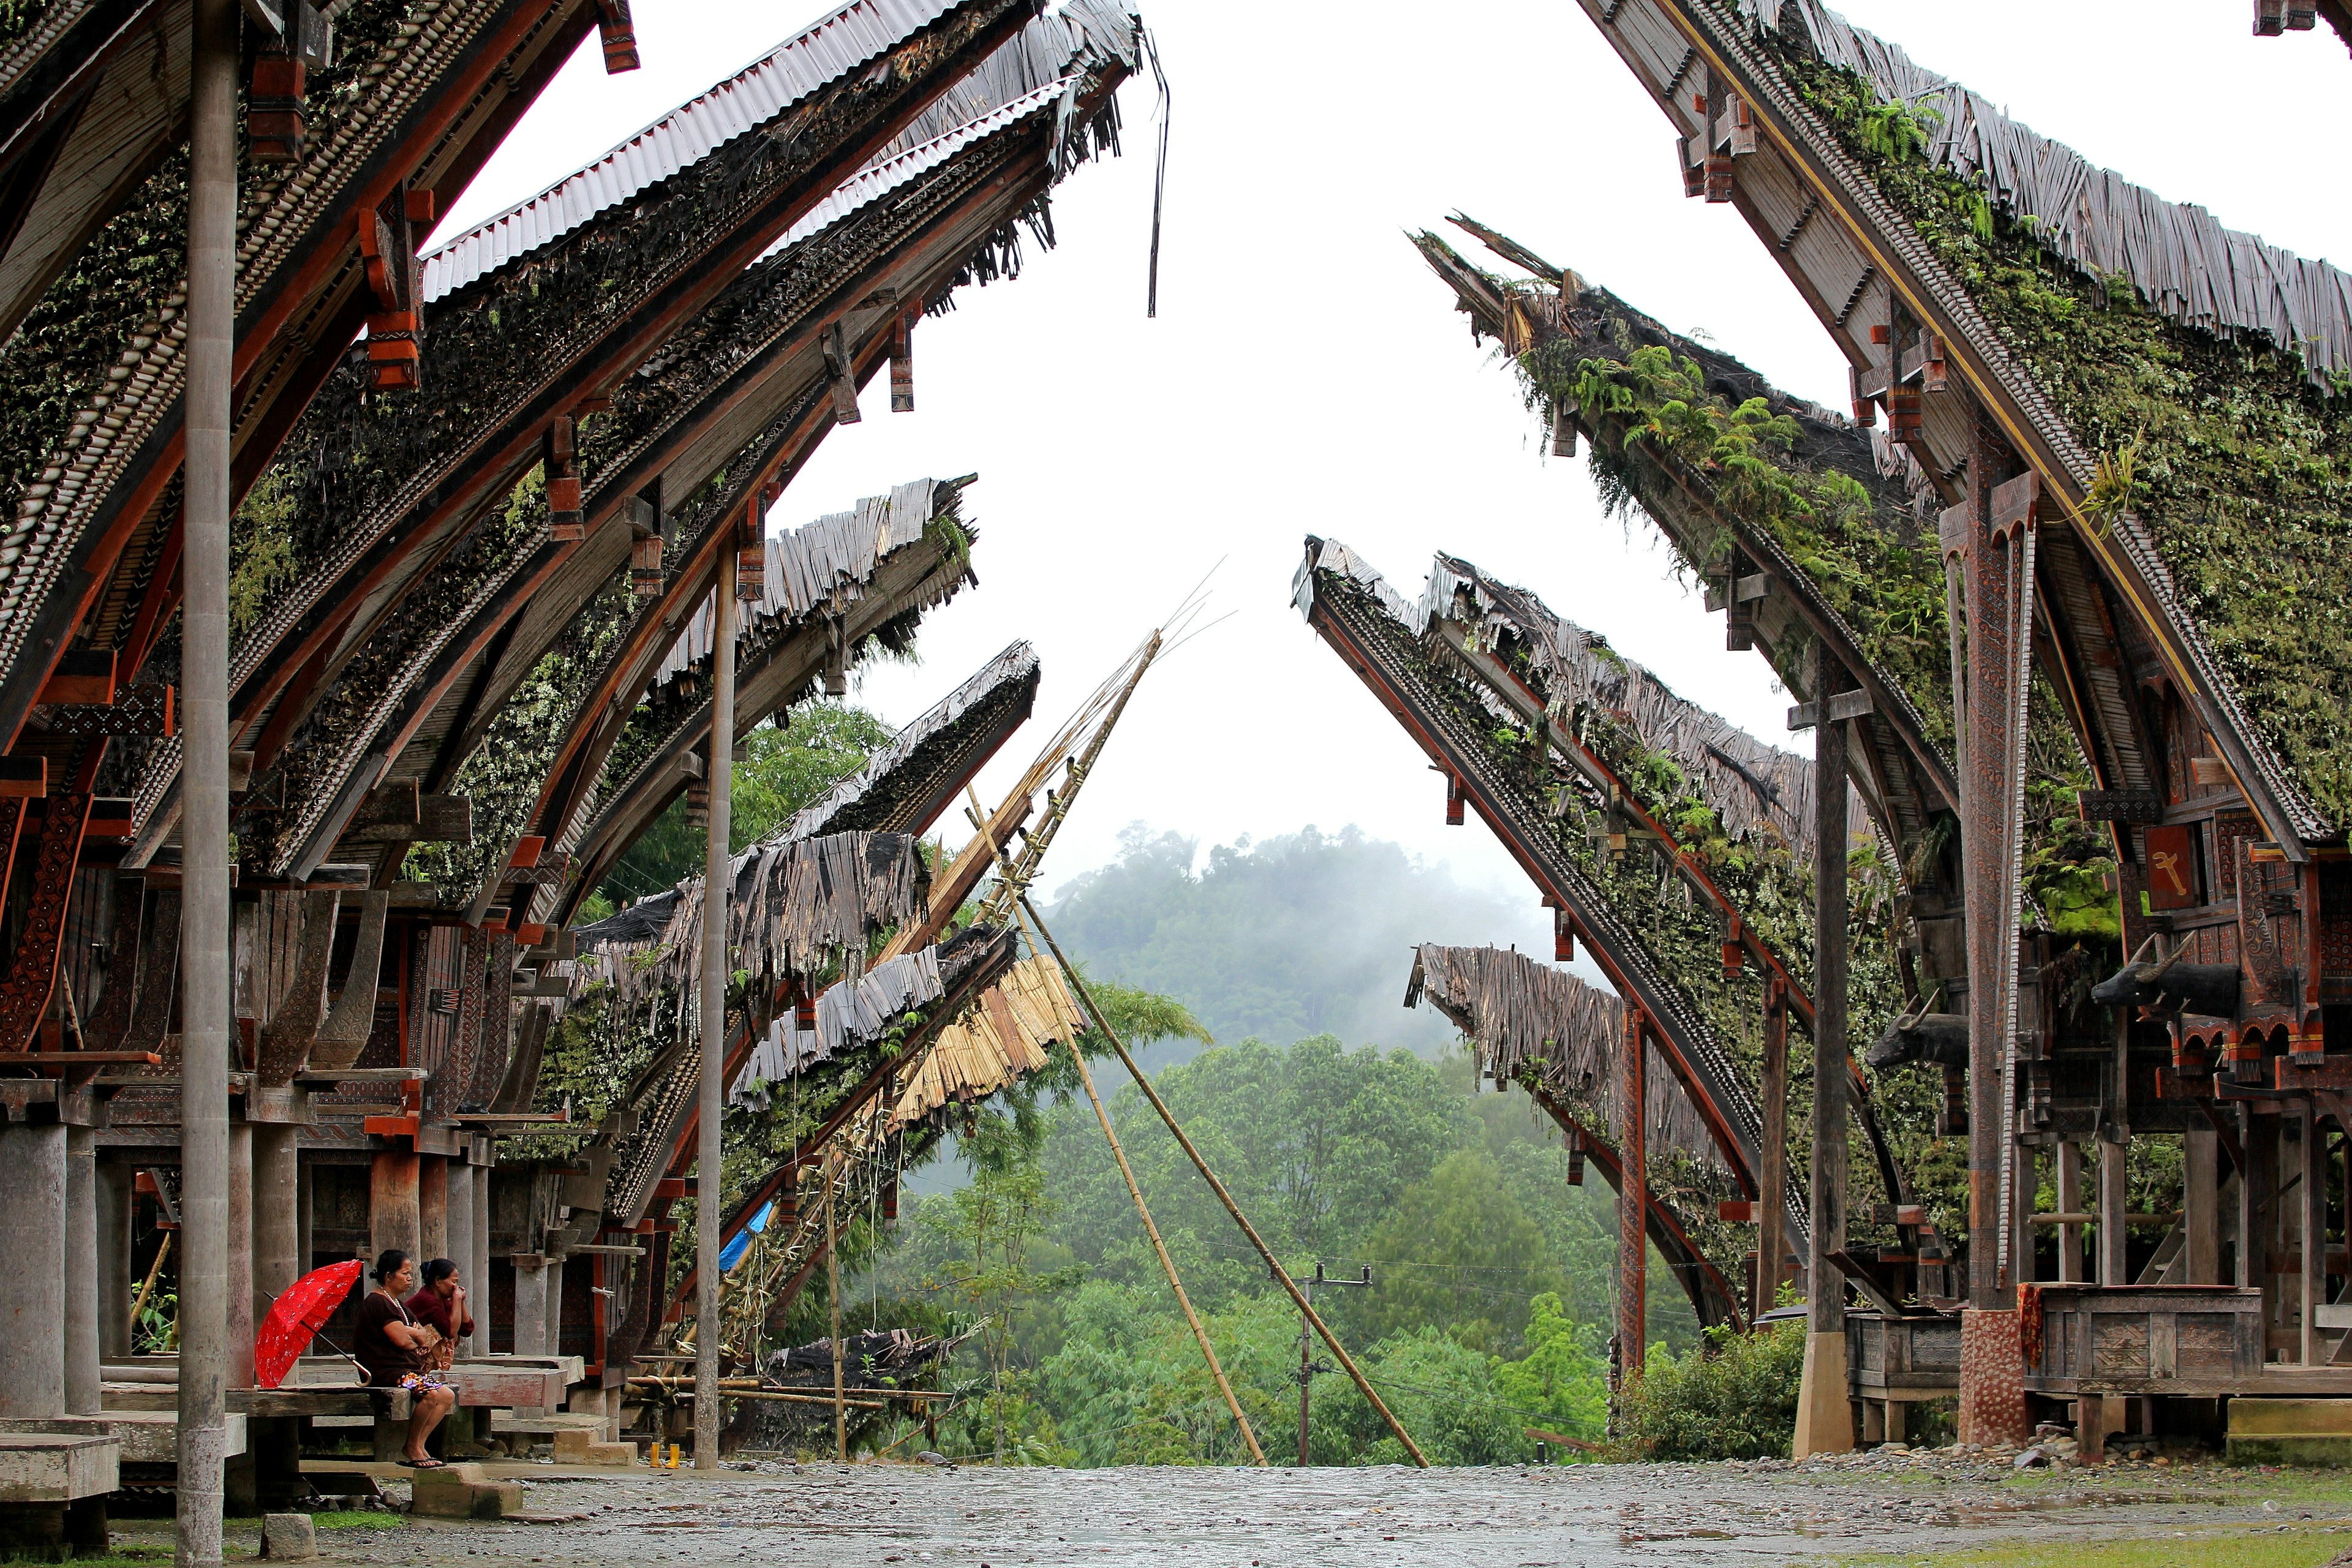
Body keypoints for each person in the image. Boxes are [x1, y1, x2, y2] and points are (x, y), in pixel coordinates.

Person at [352, 1248, 457, 1468]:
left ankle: (419, 1444)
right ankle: (411, 1446)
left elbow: (423, 1337)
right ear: (389, 1276)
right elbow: (403, 1341)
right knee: (430, 1394)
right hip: (388, 1373)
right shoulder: (378, 1302)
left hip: (407, 1370)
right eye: (404, 1273)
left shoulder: (399, 1305)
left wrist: (415, 1334)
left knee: (447, 1395)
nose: (410, 1278)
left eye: (410, 1273)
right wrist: (415, 1334)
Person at [405, 1258, 474, 1368]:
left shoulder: (441, 1300)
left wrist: (461, 1302)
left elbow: (467, 1329)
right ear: (438, 1281)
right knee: (435, 1333)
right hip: (409, 1352)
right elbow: (450, 1331)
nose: (455, 1287)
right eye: (453, 1282)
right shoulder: (428, 1299)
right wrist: (457, 1299)